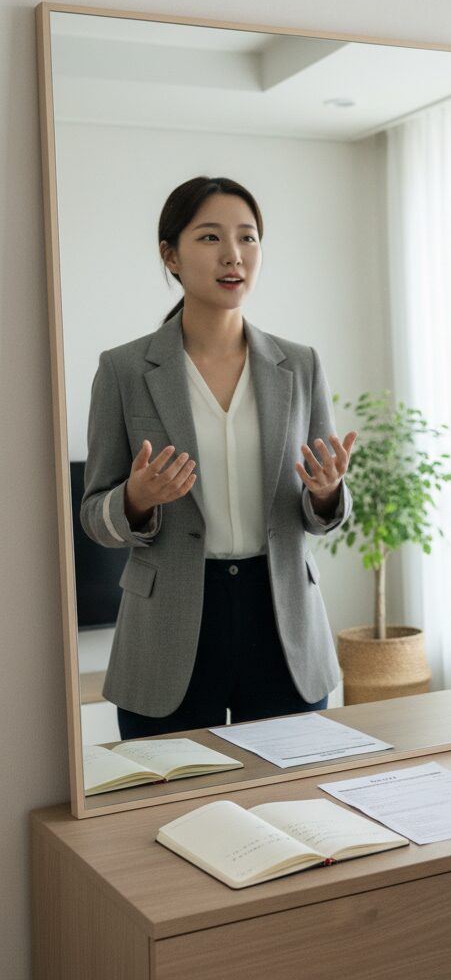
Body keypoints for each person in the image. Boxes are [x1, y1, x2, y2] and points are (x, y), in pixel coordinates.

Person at [80, 176, 358, 741]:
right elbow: (93, 516)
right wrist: (135, 500)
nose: (234, 255)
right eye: (210, 237)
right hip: (167, 627)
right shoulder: (124, 370)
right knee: (172, 793)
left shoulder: (300, 365)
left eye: (247, 237)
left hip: (282, 621)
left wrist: (328, 493)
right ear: (170, 255)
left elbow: (324, 513)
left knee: (292, 790)